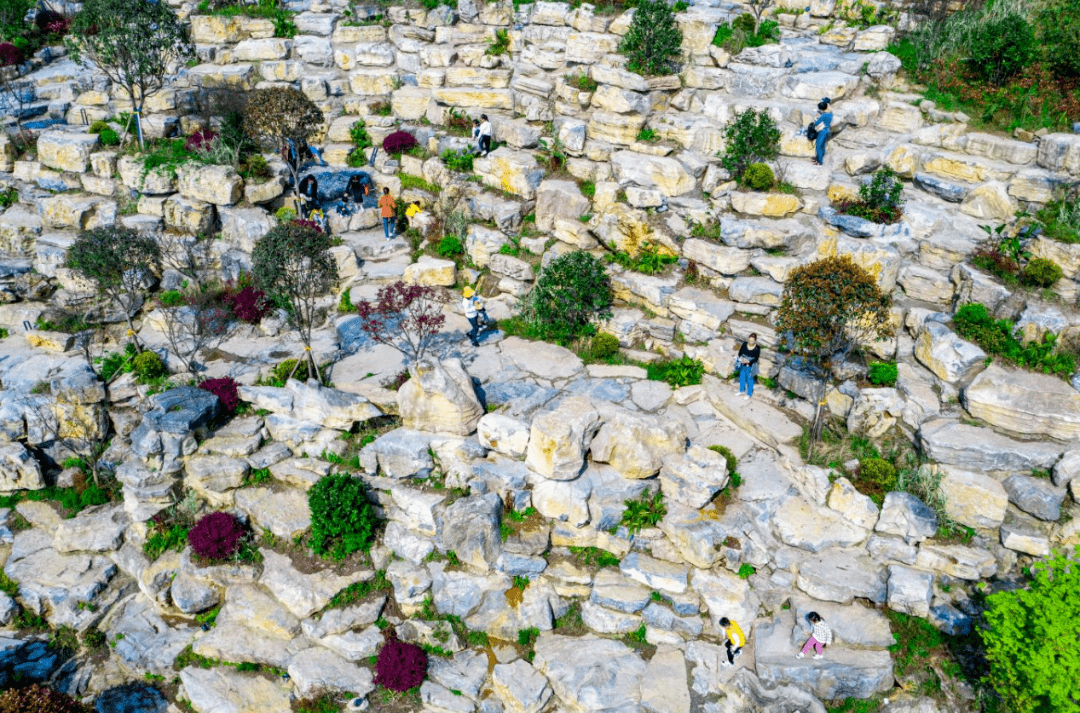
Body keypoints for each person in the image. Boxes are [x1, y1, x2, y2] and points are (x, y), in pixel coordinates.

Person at [736, 333, 760, 400]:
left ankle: (749, 394)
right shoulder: (744, 344)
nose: (751, 342)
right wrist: (741, 359)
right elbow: (740, 353)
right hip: (743, 363)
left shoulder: (757, 348)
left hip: (750, 365)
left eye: (752, 341)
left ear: (755, 340)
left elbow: (756, 358)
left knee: (750, 380)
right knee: (742, 377)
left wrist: (749, 361)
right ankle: (741, 390)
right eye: (750, 340)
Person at [812, 98, 832, 166]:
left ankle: (819, 161)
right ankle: (820, 157)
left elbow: (817, 123)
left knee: (818, 146)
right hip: (827, 131)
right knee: (823, 145)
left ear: (821, 109)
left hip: (822, 132)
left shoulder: (823, 115)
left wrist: (815, 121)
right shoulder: (830, 114)